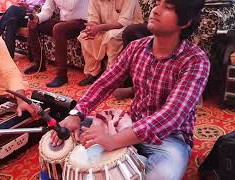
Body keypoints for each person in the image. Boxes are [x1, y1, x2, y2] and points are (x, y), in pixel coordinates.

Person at [52, 0, 210, 179]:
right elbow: (105, 83)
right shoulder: (136, 47)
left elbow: (171, 115)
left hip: (169, 138)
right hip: (130, 123)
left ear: (186, 21)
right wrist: (76, 113)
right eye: (158, 3)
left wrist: (114, 141)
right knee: (64, 129)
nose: (156, 10)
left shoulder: (196, 60)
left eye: (168, 7)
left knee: (163, 175)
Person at [24, 0, 89, 88]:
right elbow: (47, 11)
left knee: (58, 29)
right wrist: (37, 18)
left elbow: (71, 5)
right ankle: (39, 64)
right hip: (64, 23)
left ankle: (61, 75)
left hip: (83, 22)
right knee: (32, 24)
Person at [77, 0, 143, 86]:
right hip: (105, 28)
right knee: (85, 35)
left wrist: (99, 28)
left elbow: (123, 22)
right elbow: (93, 17)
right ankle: (93, 73)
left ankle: (111, 77)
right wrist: (91, 27)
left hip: (129, 29)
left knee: (111, 36)